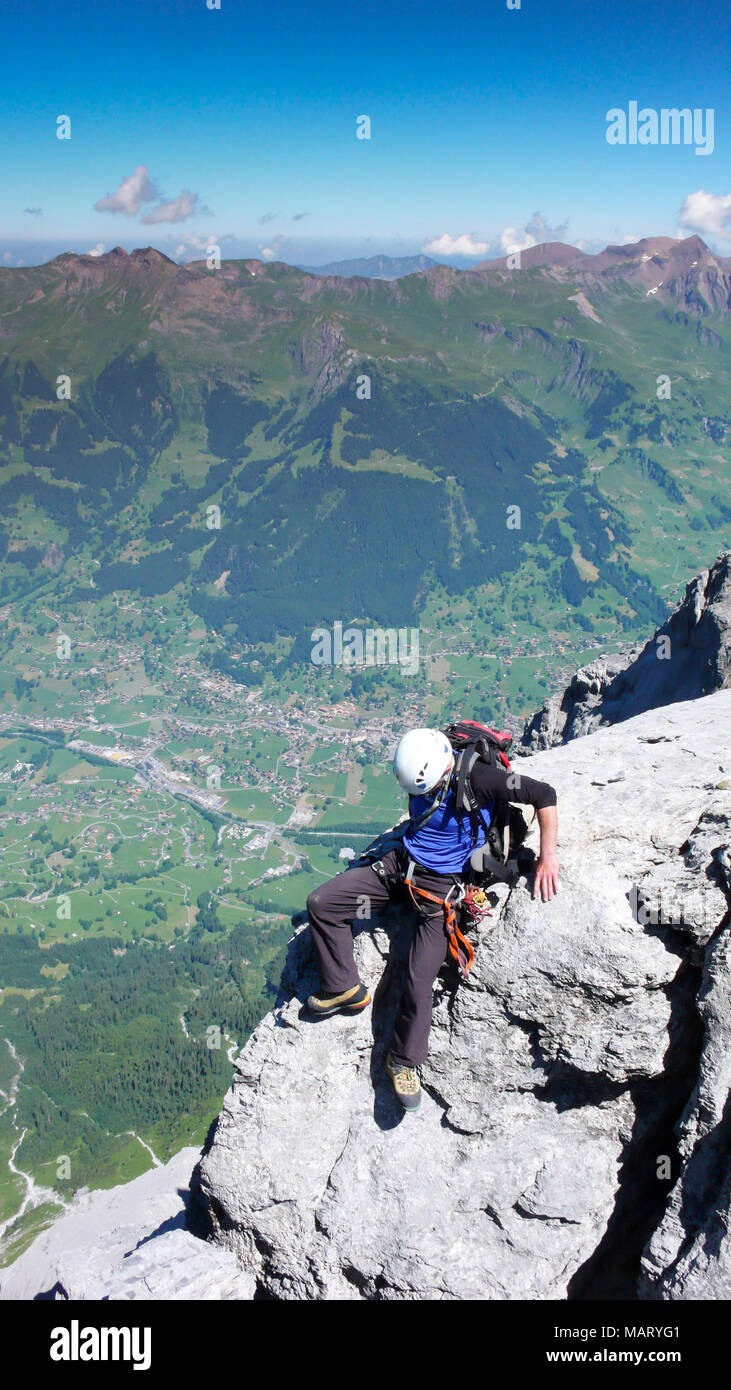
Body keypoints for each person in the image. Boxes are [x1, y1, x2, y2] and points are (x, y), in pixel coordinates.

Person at [305, 727, 559, 1111]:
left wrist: (548, 856)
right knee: (322, 903)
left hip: (440, 894)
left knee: (418, 982)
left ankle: (403, 1061)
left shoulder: (480, 778)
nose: (418, 798)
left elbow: (544, 794)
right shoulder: (422, 765)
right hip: (400, 868)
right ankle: (344, 987)